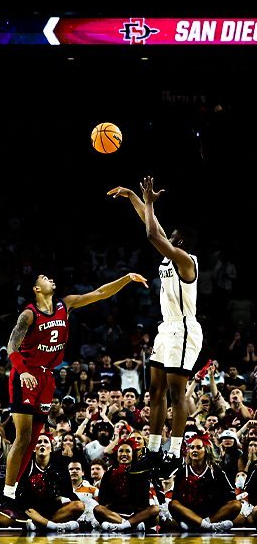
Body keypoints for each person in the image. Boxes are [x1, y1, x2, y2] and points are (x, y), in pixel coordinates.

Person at [2, 271, 147, 504]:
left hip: (47, 378)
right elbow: (11, 345)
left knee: (34, 437)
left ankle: (15, 489)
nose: (49, 278)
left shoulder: (65, 304)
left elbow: (100, 293)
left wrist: (127, 279)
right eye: (43, 278)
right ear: (36, 289)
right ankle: (6, 494)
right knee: (23, 437)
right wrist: (24, 371)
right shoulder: (29, 314)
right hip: (26, 375)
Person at [109, 178, 202, 473]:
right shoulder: (170, 254)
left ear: (180, 243)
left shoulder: (186, 260)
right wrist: (134, 197)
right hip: (166, 330)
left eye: (171, 237)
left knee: (176, 393)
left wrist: (149, 202)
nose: (167, 238)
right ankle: (152, 450)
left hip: (185, 330)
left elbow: (152, 233)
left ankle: (173, 454)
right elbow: (153, 226)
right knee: (156, 391)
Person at [167, 436, 242, 533]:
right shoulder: (182, 472)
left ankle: (199, 525)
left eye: (198, 447)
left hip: (212, 512)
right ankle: (208, 526)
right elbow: (176, 499)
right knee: (173, 504)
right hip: (190, 512)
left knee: (236, 505)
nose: (194, 450)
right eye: (192, 447)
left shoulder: (216, 471)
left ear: (206, 450)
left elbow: (230, 496)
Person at [16, 433, 87, 533]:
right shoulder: (27, 465)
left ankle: (41, 525)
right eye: (39, 442)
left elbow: (68, 492)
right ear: (33, 448)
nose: (42, 444)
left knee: (79, 506)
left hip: (52, 509)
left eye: (46, 442)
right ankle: (53, 526)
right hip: (31, 509)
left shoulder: (60, 465)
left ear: (51, 449)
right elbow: (21, 497)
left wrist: (80, 510)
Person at [93, 440, 160, 533]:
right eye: (121, 451)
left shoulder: (141, 473)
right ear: (116, 455)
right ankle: (130, 525)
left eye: (128, 451)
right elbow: (102, 501)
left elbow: (143, 502)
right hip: (115, 513)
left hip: (137, 514)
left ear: (133, 455)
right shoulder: (108, 473)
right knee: (98, 509)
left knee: (155, 509)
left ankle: (122, 525)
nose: (124, 454)